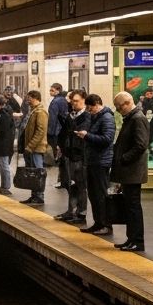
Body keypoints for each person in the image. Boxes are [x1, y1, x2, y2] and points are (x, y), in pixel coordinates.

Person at [110, 91, 149, 251]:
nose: (118, 111)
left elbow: (140, 145)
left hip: (133, 171)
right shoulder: (131, 118)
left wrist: (124, 158)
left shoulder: (138, 118)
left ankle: (137, 241)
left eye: (119, 107)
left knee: (133, 207)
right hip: (128, 172)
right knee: (129, 206)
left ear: (127, 103)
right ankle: (130, 238)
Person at [78, 94, 116, 235]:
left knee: (101, 194)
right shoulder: (95, 117)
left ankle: (106, 224)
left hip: (101, 161)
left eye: (90, 107)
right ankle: (98, 222)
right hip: (93, 160)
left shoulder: (107, 118)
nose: (89, 110)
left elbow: (107, 139)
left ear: (98, 104)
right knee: (93, 194)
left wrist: (87, 136)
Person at [55, 90, 89, 224]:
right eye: (71, 101)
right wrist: (60, 146)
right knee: (71, 184)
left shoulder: (87, 116)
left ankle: (81, 213)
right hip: (68, 154)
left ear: (84, 101)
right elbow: (64, 133)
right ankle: (71, 210)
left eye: (76, 101)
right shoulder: (71, 115)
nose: (73, 104)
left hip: (80, 156)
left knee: (80, 185)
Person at [19, 90, 49, 205]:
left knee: (37, 172)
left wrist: (30, 146)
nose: (27, 100)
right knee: (32, 172)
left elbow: (40, 131)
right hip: (31, 148)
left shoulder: (40, 112)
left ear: (35, 98)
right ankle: (34, 195)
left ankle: (39, 196)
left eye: (29, 98)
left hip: (36, 148)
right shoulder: (33, 111)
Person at [48, 83, 70, 189]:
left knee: (59, 156)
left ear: (58, 90)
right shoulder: (63, 100)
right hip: (62, 131)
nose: (50, 92)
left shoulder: (55, 102)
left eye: (52, 90)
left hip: (56, 132)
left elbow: (52, 118)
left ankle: (62, 180)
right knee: (63, 156)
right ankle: (63, 180)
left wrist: (50, 132)